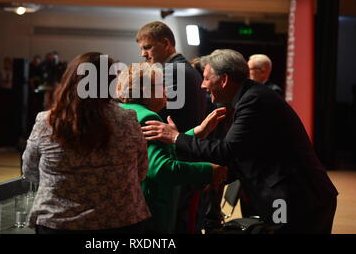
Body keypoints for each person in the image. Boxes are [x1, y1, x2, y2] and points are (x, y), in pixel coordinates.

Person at [142, 49, 338, 233]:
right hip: (295, 196)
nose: (202, 85)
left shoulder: (253, 101)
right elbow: (246, 153)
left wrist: (176, 137)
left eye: (206, 78)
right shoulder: (250, 96)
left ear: (224, 80)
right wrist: (216, 174)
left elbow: (227, 151)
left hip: (297, 199)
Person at [22, 52, 151, 234]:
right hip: (121, 220)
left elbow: (29, 171)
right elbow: (142, 171)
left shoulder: (46, 122)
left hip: (58, 222)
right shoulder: (128, 119)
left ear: (69, 81)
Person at [116, 62, 227, 233]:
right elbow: (160, 169)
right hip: (151, 210)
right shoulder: (148, 117)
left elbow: (161, 147)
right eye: (162, 86)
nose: (167, 91)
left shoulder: (125, 110)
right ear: (147, 90)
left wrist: (198, 131)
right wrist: (208, 170)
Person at [136, 21, 208, 233]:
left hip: (172, 161)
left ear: (166, 43)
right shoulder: (187, 69)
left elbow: (153, 116)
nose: (143, 54)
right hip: (184, 156)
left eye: (147, 47)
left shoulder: (170, 72)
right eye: (141, 49)